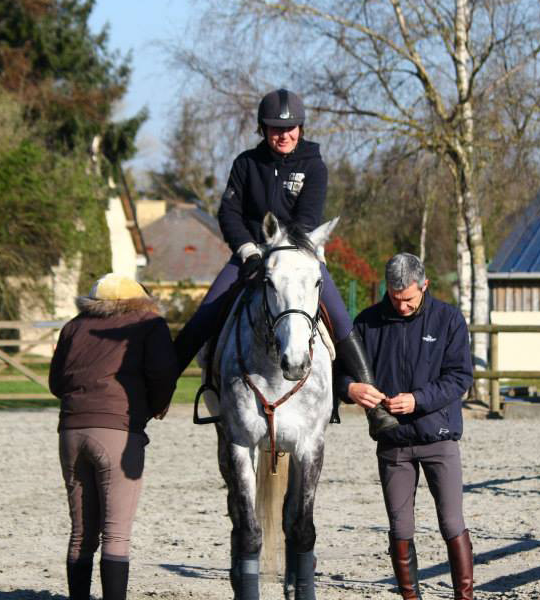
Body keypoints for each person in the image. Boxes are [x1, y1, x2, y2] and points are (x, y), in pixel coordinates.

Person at [172, 87, 396, 433]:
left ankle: (374, 408)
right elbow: (229, 212)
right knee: (206, 312)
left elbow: (307, 219)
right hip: (251, 255)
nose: (284, 135)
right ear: (263, 130)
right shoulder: (245, 164)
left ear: (301, 129)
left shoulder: (313, 165)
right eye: (276, 129)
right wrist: (247, 250)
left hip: (297, 255)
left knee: (338, 315)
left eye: (290, 129)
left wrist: (283, 250)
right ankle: (160, 391)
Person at [338, 253, 474, 599]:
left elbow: (460, 377)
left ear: (424, 285)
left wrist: (419, 400)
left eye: (409, 300)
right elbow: (340, 370)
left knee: (451, 523)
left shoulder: (448, 319)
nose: (401, 306)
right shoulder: (367, 323)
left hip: (438, 438)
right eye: (396, 299)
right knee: (400, 526)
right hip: (392, 441)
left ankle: (465, 595)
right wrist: (349, 389)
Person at [49, 273, 178, 600]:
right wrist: (157, 405)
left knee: (81, 533)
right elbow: (162, 373)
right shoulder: (149, 323)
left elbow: (55, 383)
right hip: (118, 430)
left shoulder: (74, 326)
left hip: (71, 431)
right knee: (116, 534)